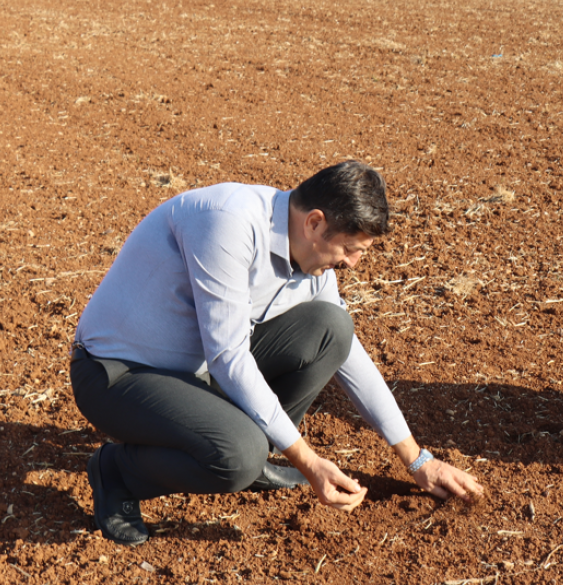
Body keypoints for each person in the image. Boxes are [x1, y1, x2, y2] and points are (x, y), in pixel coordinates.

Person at [71, 161, 483, 545]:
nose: (354, 263)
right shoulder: (227, 223)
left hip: (196, 369)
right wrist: (305, 459)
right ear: (315, 223)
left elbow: (348, 355)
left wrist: (418, 460)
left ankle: (250, 448)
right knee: (240, 452)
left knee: (331, 329)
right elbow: (228, 358)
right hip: (118, 373)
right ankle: (116, 473)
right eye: (350, 249)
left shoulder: (310, 258)